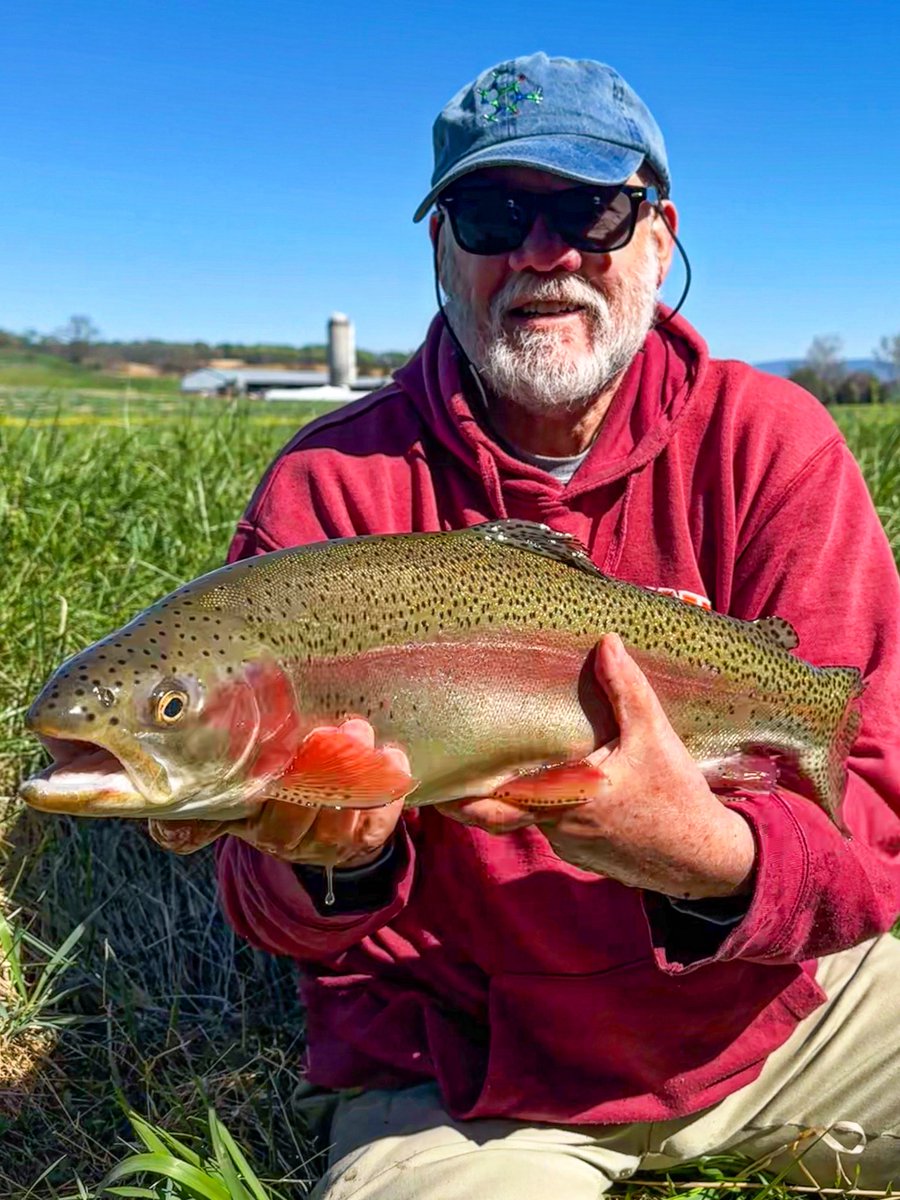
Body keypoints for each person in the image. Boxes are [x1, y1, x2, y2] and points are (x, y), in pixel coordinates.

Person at [152, 53, 900, 1197]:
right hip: (468, 1086)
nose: (543, 254)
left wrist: (705, 856)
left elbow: (877, 843)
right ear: (441, 246)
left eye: (592, 211)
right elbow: (278, 921)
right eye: (495, 212)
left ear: (659, 236)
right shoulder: (327, 493)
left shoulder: (774, 445)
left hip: (782, 1017)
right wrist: (334, 870)